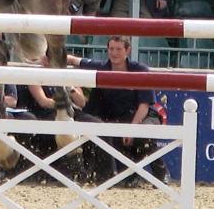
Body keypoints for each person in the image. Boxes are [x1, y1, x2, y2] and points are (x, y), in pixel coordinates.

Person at [68, 36, 169, 185]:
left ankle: (161, 174)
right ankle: (131, 175)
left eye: (119, 49)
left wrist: (132, 129)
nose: (114, 53)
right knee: (111, 138)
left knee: (143, 135)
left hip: (144, 115)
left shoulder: (140, 70)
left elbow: (144, 106)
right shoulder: (102, 67)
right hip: (118, 117)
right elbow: (74, 60)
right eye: (111, 49)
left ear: (128, 50)